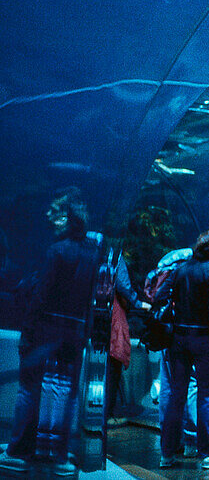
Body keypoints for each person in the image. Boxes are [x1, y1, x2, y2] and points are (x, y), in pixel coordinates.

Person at [0, 188, 102, 476]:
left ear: (68, 218)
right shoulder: (93, 254)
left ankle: (18, 451)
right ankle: (58, 455)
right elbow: (90, 300)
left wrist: (27, 334)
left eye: (55, 213)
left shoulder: (56, 251)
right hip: (74, 332)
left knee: (29, 389)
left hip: (45, 330)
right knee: (65, 393)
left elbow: (41, 296)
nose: (48, 216)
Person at [155, 229, 209, 470]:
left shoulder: (182, 269)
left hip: (179, 339)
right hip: (204, 341)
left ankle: (167, 453)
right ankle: (208, 451)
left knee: (176, 397)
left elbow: (161, 295)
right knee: (206, 395)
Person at [104, 252, 151, 428]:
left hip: (96, 312)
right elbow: (122, 283)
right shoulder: (115, 255)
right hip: (113, 312)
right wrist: (137, 303)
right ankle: (107, 414)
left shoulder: (95, 248)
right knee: (113, 362)